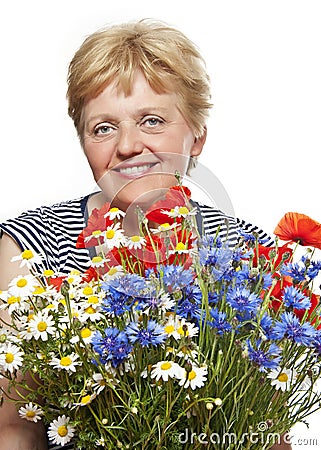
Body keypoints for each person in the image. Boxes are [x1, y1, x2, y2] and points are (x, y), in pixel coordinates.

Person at [0, 19, 291, 450]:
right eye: (103, 127)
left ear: (197, 138)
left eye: (152, 121)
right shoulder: (31, 246)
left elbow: (267, 431)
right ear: (83, 142)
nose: (128, 145)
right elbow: (14, 428)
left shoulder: (246, 251)